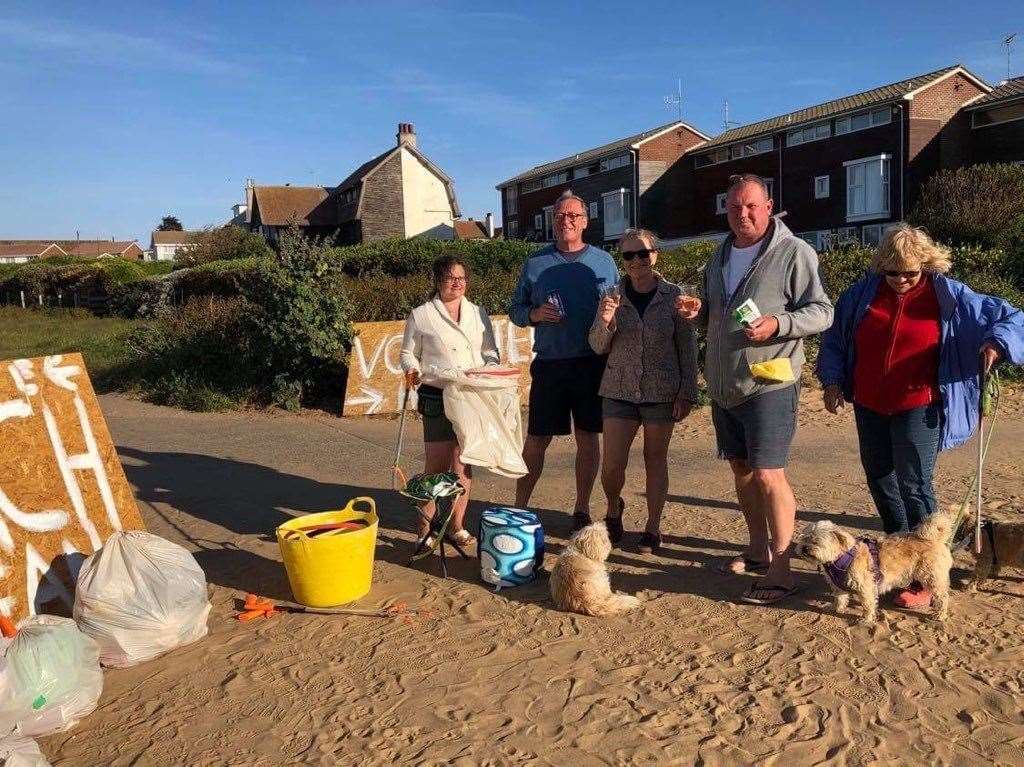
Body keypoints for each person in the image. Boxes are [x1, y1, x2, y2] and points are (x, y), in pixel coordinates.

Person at [817, 224, 1024, 608]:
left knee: (913, 482)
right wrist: (831, 381)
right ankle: (895, 560)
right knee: (879, 476)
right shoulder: (860, 295)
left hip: (920, 402)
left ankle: (927, 568)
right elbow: (835, 339)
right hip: (869, 402)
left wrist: (996, 343)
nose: (900, 280)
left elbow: (1013, 316)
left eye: (910, 272)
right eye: (892, 272)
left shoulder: (951, 295)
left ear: (926, 266)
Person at [693, 174, 833, 605]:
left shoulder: (793, 252)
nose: (743, 214)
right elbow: (714, 317)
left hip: (771, 380)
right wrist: (697, 312)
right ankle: (757, 550)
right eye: (735, 207)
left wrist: (779, 324)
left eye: (751, 206)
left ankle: (782, 567)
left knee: (771, 474)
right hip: (725, 386)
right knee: (742, 471)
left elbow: (823, 311)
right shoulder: (718, 255)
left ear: (769, 206)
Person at [509, 190, 619, 530]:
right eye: (560, 216)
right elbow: (515, 311)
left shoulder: (605, 261)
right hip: (551, 364)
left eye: (573, 216)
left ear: (585, 221)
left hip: (591, 363)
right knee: (536, 439)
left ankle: (582, 508)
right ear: (553, 222)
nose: (566, 221)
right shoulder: (535, 263)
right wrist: (535, 313)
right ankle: (519, 507)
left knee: (589, 438)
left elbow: (618, 311)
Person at [588, 228, 700, 553]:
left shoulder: (674, 295)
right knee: (611, 466)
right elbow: (597, 346)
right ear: (622, 260)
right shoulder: (611, 295)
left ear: (655, 255)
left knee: (655, 460)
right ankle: (613, 507)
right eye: (628, 255)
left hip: (661, 391)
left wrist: (687, 392)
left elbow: (687, 346)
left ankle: (653, 526)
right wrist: (606, 320)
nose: (637, 260)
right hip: (618, 389)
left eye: (643, 253)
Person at [400, 255, 499, 549]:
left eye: (461, 278)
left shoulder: (478, 312)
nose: (457, 283)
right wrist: (412, 369)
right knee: (436, 465)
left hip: (470, 395)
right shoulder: (420, 315)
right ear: (437, 281)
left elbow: (490, 351)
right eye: (449, 278)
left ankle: (457, 526)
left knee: (463, 465)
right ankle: (424, 528)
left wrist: (488, 369)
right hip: (436, 394)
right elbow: (407, 353)